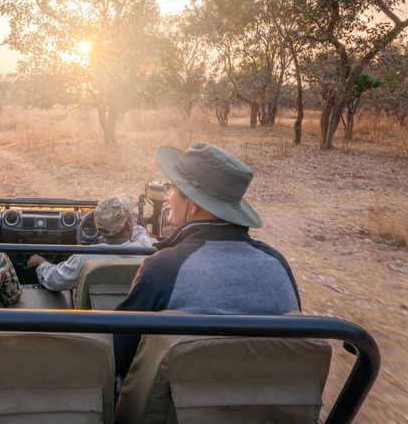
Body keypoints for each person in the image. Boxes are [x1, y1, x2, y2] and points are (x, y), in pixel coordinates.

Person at [113, 143, 301, 378]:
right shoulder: (277, 264)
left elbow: (117, 355)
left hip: (172, 413)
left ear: (194, 205)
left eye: (171, 187)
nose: (167, 195)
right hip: (267, 411)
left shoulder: (164, 267)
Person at [26, 195, 157, 290]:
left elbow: (55, 280)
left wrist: (41, 263)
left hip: (94, 320)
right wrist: (127, 220)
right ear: (129, 225)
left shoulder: (84, 257)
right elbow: (141, 233)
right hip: (132, 317)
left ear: (98, 229)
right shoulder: (147, 250)